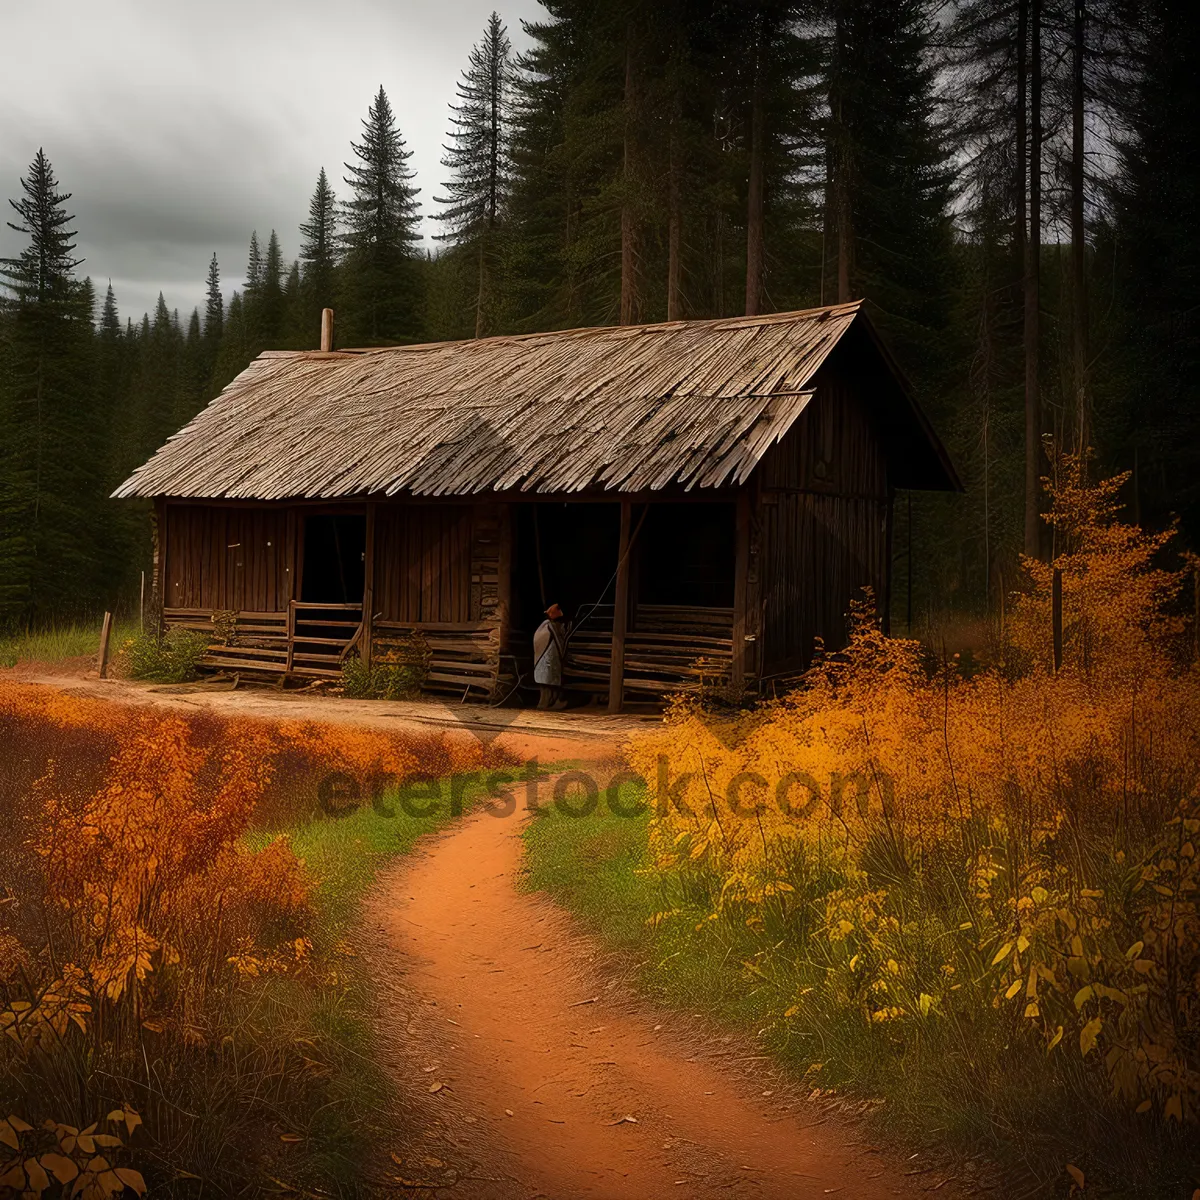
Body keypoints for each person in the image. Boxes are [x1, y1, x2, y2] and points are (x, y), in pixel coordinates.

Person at [532, 603, 568, 710]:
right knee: (549, 684)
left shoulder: (543, 627)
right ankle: (547, 704)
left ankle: (546, 703)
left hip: (542, 660)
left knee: (546, 683)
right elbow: (558, 641)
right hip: (548, 659)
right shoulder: (551, 627)